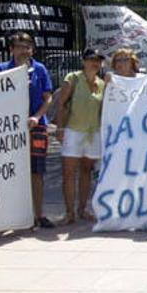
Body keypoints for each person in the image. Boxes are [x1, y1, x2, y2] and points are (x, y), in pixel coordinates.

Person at [0, 32, 54, 228]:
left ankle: (38, 215)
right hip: (9, 131)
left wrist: (36, 116)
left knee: (36, 172)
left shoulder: (40, 69)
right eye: (20, 46)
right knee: (11, 172)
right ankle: (12, 216)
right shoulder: (2, 69)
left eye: (27, 46)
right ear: (11, 49)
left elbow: (48, 98)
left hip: (36, 127)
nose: (24, 50)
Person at [56, 49, 105, 224]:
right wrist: (60, 128)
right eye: (91, 59)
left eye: (98, 60)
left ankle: (82, 209)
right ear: (83, 61)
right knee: (68, 173)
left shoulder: (102, 84)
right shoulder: (73, 78)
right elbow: (61, 104)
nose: (95, 63)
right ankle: (69, 212)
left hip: (93, 133)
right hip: (73, 131)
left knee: (86, 171)